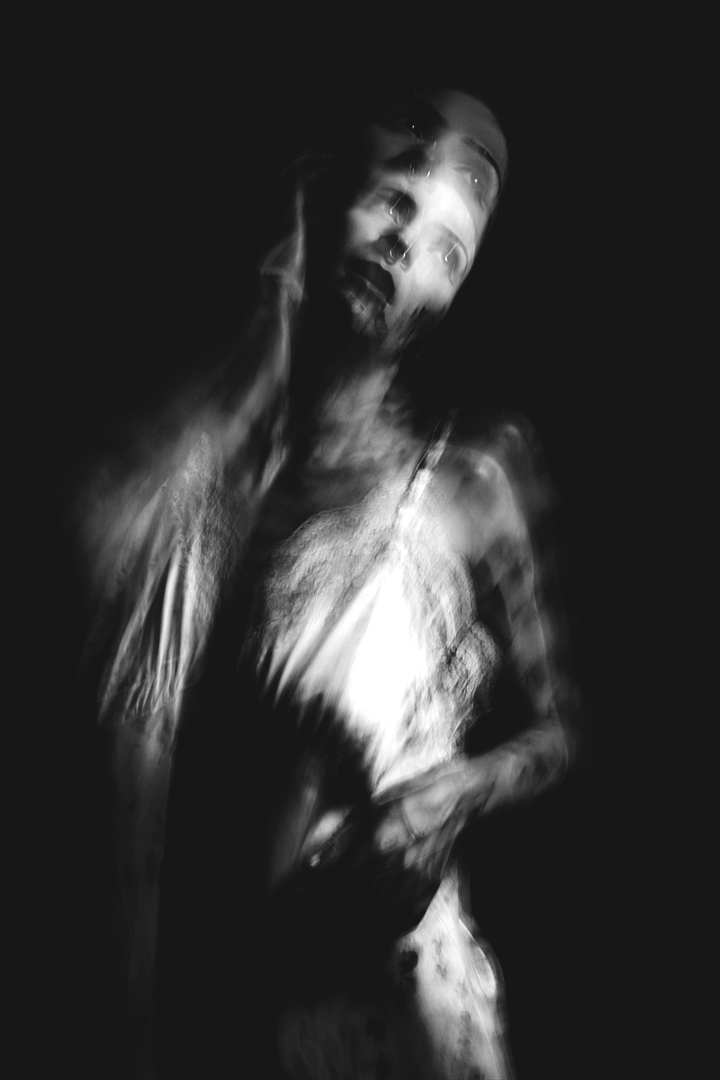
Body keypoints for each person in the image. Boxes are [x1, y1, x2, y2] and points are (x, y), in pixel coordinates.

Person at [75, 87, 578, 1078]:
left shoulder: (473, 472)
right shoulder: (204, 479)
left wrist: (456, 793)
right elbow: (96, 567)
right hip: (219, 1017)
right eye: (396, 199)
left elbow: (563, 731)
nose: (405, 246)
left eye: (447, 251)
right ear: (322, 181)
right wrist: (269, 320)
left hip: (402, 1015)